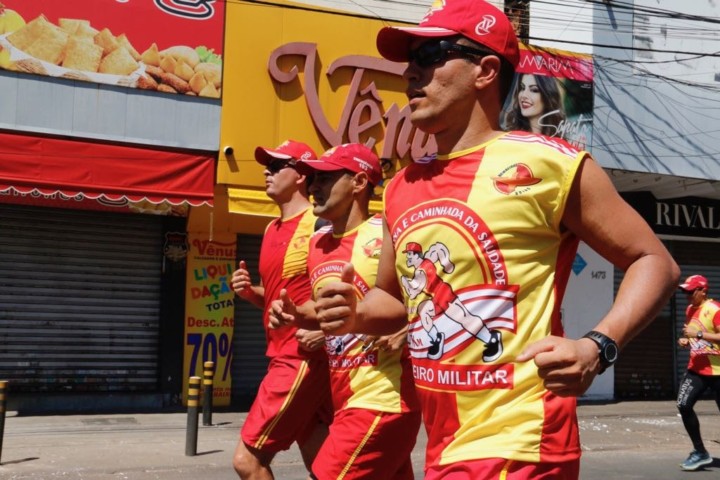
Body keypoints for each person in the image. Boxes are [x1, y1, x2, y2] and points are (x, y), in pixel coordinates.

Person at [314, 0, 680, 478]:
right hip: (444, 444)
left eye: (430, 56)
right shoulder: (402, 185)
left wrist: (597, 346)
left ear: (485, 70)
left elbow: (654, 261)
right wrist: (356, 313)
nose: (410, 73)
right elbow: (395, 300)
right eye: (409, 61)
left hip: (520, 442)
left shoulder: (552, 164)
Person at [268, 143, 421, 480]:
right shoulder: (317, 243)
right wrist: (296, 313)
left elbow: (429, 299)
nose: (313, 187)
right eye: (312, 179)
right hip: (346, 399)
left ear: (359, 182)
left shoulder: (386, 235)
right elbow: (325, 309)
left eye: (325, 178)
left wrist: (406, 329)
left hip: (383, 400)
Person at [231, 139, 333, 480]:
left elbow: (345, 289)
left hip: (300, 358)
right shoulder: (270, 228)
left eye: (276, 166)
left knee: (247, 461)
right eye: (267, 166)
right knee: (323, 465)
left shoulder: (319, 226)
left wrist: (324, 331)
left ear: (301, 175)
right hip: (281, 355)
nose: (266, 172)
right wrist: (250, 293)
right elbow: (279, 299)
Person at [676, 274, 720, 471]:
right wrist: (686, 340)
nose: (687, 296)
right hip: (697, 369)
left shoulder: (715, 309)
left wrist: (698, 335)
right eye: (685, 292)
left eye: (690, 292)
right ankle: (700, 451)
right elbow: (691, 333)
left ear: (703, 290)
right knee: (683, 405)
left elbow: (702, 333)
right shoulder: (690, 309)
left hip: (718, 371)